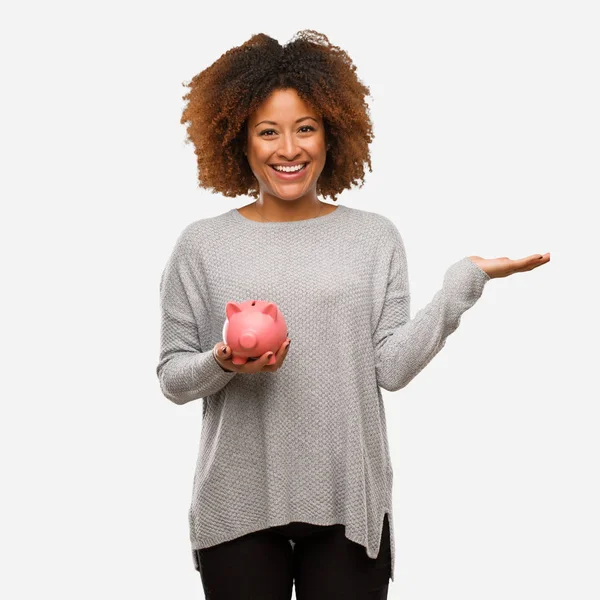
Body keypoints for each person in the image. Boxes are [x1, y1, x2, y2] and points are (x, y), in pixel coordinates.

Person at [156, 30, 550, 600]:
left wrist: (463, 284)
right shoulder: (201, 246)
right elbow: (171, 378)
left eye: (305, 128)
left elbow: (389, 368)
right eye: (268, 131)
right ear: (239, 139)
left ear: (330, 134)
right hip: (236, 504)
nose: (288, 148)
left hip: (348, 501)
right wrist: (224, 360)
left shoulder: (374, 237)